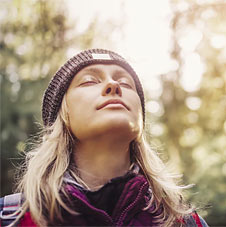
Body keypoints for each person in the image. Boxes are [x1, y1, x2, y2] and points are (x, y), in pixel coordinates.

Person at [0, 49, 209, 226]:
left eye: (126, 83)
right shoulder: (11, 218)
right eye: (90, 81)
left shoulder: (185, 223)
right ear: (62, 115)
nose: (113, 85)